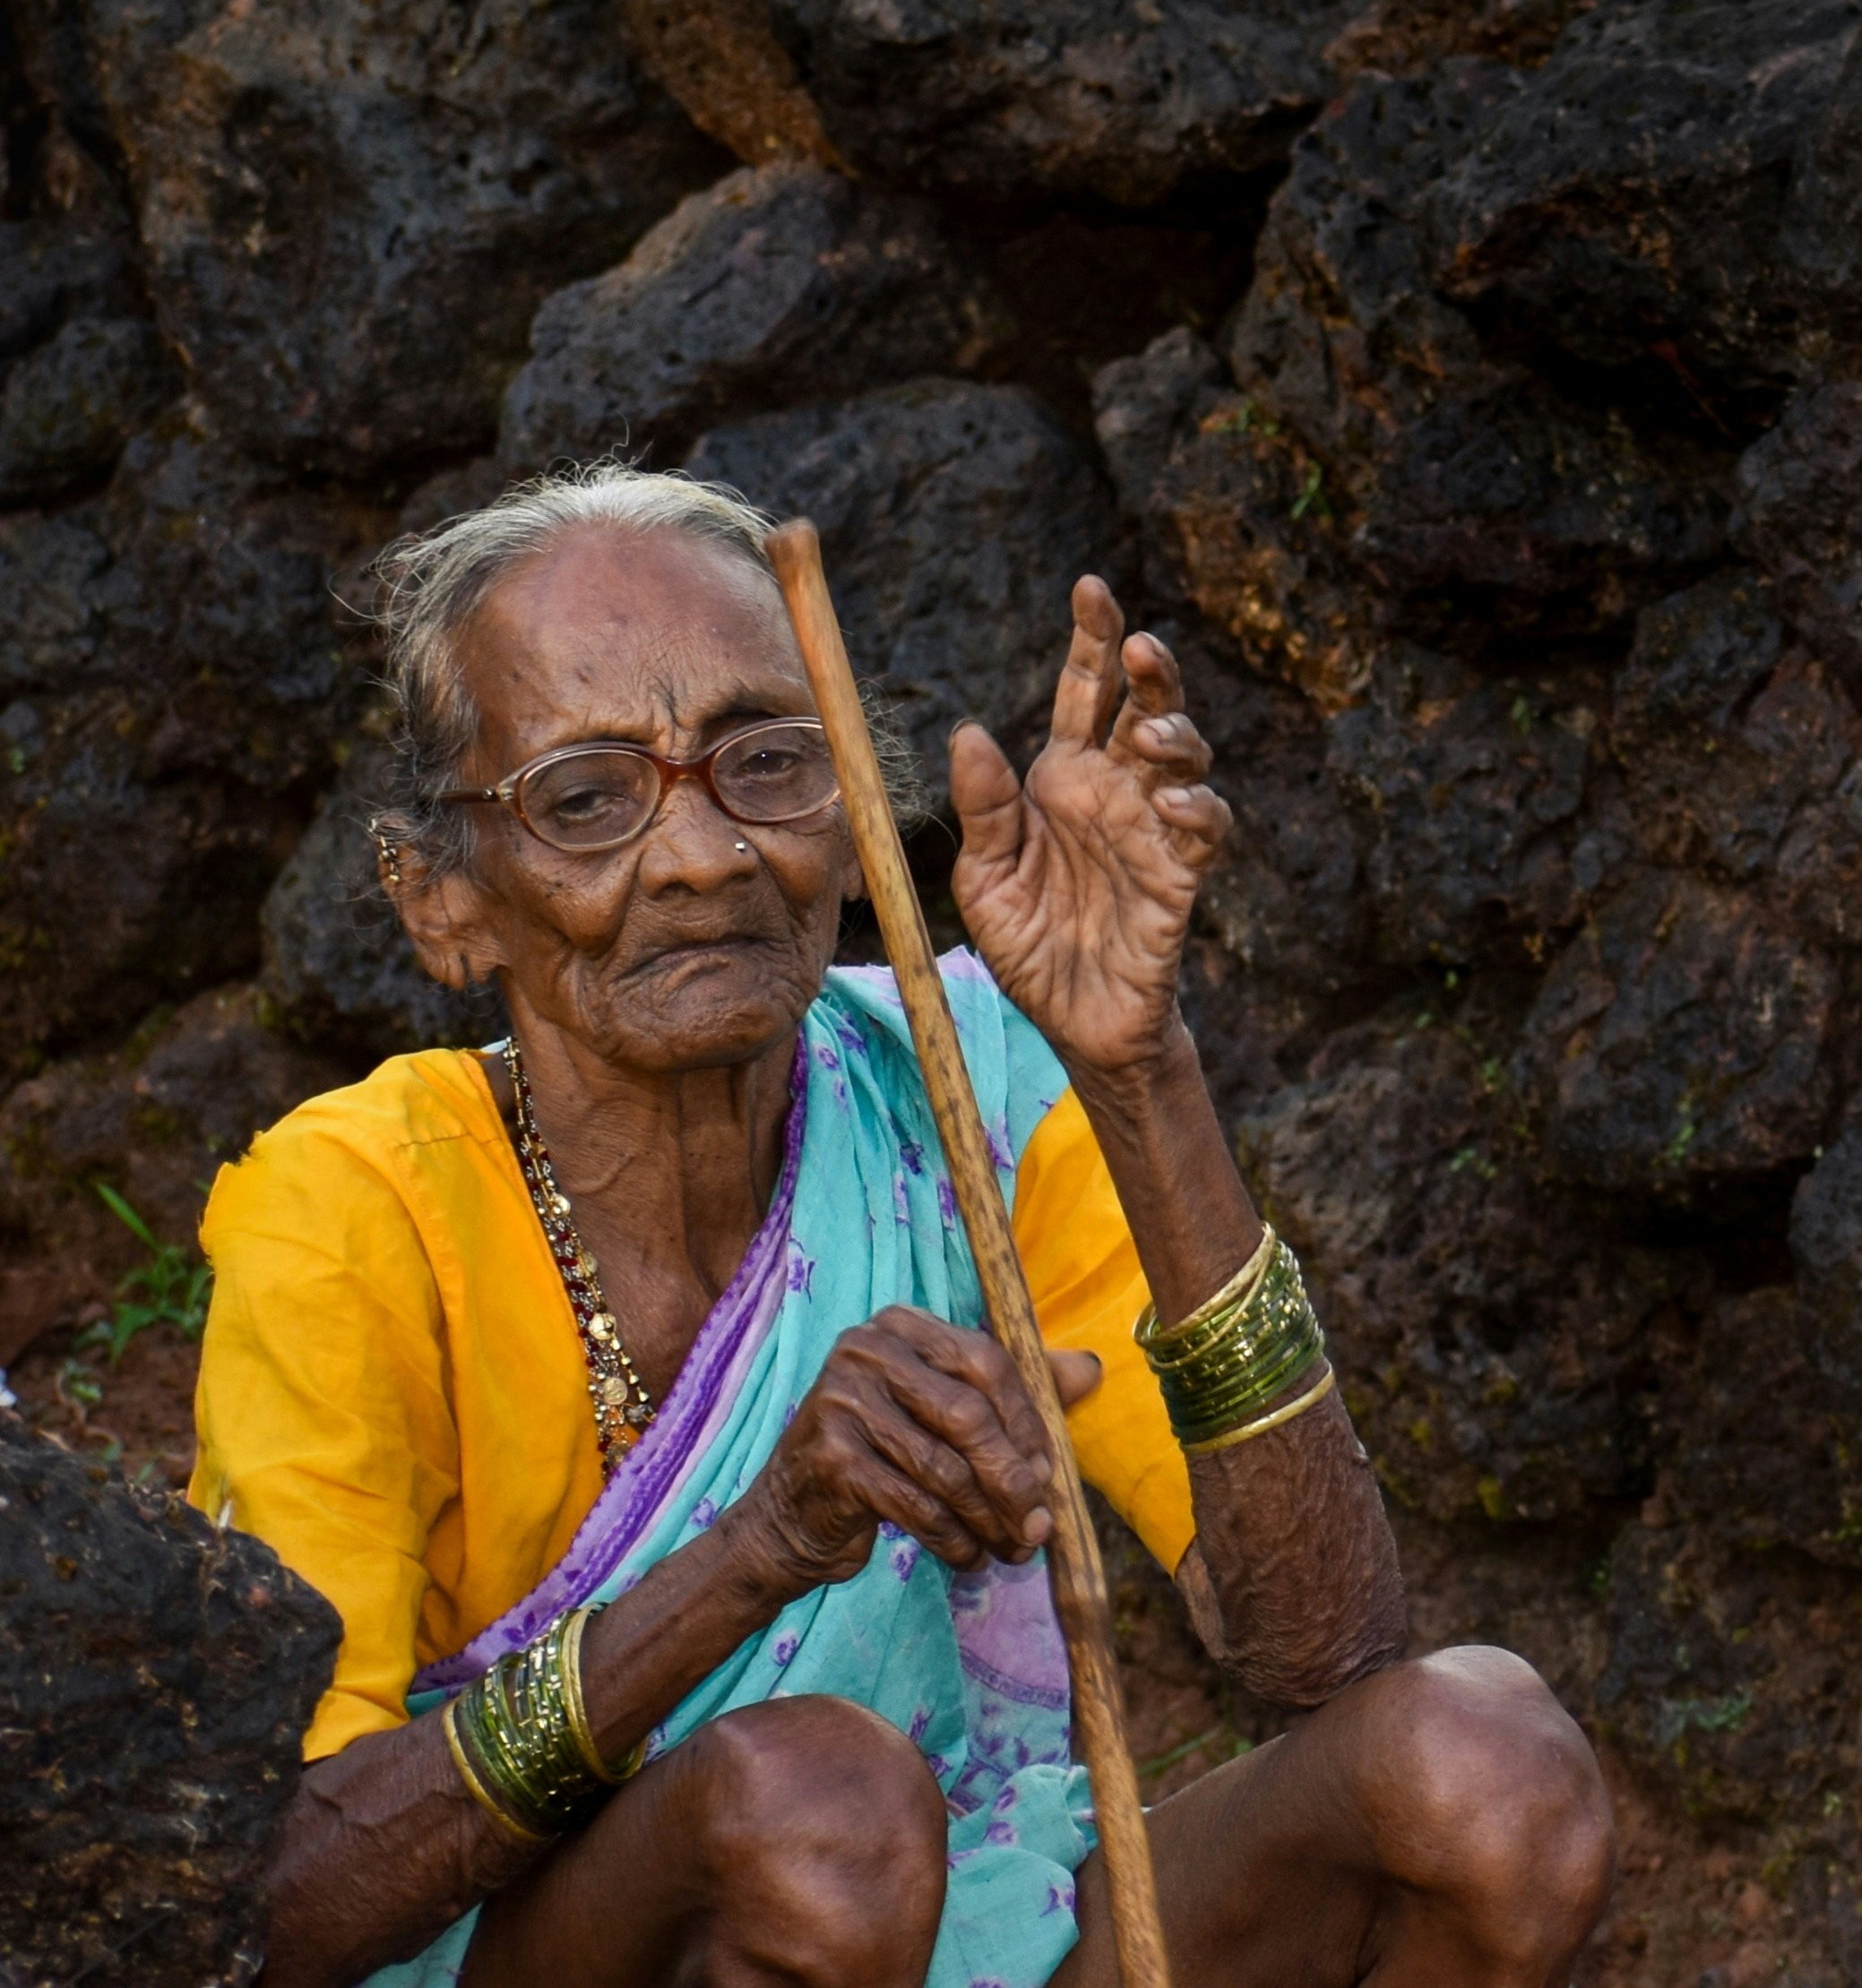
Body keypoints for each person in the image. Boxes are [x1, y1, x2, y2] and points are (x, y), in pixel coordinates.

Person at [190, 464, 1614, 1988]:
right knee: (814, 1809)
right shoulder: (353, 1210)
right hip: (543, 1951)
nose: (702, 855)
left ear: (855, 808)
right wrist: (760, 1549)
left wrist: (1137, 1069)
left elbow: (1323, 1656)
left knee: (1479, 1771)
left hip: (973, 1935)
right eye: (585, 799)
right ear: (441, 900)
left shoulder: (966, 1087)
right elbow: (284, 1898)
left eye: (766, 763)